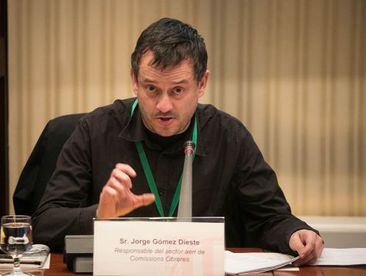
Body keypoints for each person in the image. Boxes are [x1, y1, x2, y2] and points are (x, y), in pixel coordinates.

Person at [32, 17, 323, 265]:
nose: (164, 106)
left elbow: (270, 217)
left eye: (178, 90)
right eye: (151, 89)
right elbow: (45, 223)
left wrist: (295, 233)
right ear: (134, 80)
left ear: (202, 83)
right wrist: (100, 215)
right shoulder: (95, 130)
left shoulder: (228, 135)